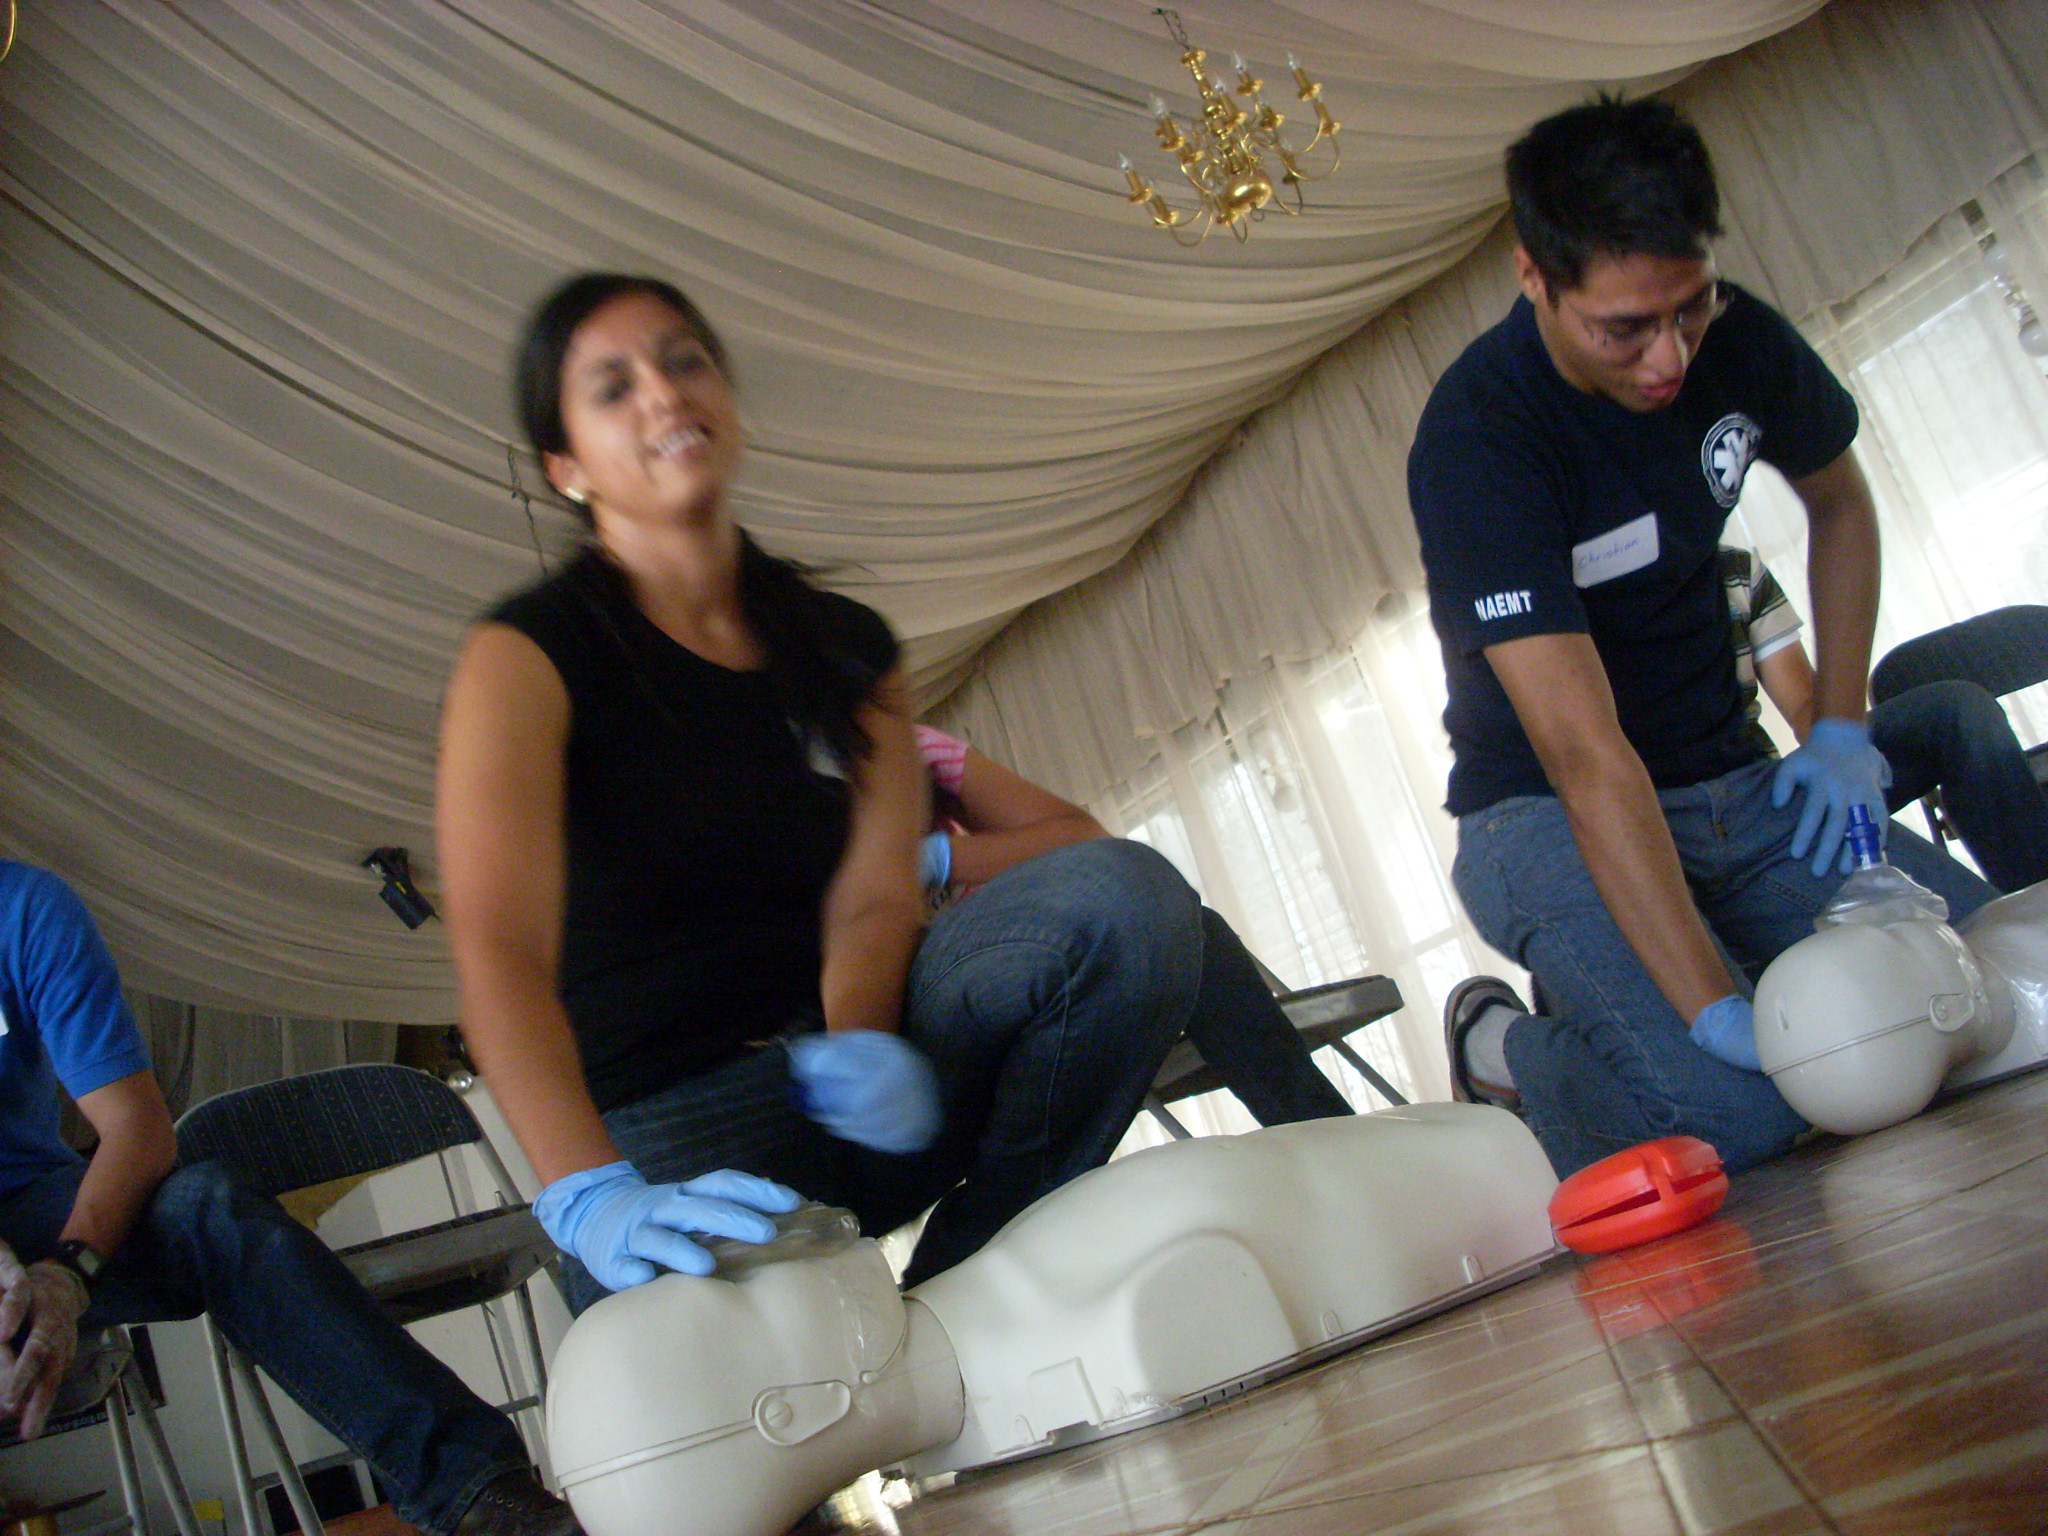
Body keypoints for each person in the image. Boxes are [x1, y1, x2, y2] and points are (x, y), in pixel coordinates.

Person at [437, 273, 1241, 1318]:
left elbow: (874, 894)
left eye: (684, 362)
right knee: (750, 1413)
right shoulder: (527, 656)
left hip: (872, 1069)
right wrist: (588, 1190)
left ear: (727, 397)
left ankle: (973, 1287)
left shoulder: (844, 646)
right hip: (677, 1139)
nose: (664, 395)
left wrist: (861, 1039)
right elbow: (497, 954)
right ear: (567, 466)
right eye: (613, 388)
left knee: (1122, 899)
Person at [1404, 95, 1998, 1179]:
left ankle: (1706, 975)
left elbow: (1841, 507)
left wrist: (1840, 729)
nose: (1666, 358)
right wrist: (1713, 1006)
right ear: (1534, 276)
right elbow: (1584, 757)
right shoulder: (1479, 440)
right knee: (1746, 1119)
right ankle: (1504, 1050)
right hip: (1540, 810)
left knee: (1983, 992)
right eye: (1624, 328)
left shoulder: (1739, 341)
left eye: (1690, 308)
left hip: (1736, 786)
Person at [0, 861, 574, 1536]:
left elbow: (137, 1128)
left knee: (205, 1205)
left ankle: (477, 1497)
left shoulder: (25, 909)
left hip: (36, 1210)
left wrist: (69, 1273)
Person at [913, 723, 1354, 1126]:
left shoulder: (916, 750)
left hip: (1042, 989)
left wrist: (936, 858)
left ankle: (1320, 1131)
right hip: (949, 1032)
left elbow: (1086, 840)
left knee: (1188, 926)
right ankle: (1320, 1130)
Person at [1720, 546, 2048, 892]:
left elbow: (1804, 706)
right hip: (1701, 823)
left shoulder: (1736, 570)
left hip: (1768, 791)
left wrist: (1844, 745)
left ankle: (2036, 894)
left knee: (1957, 710)